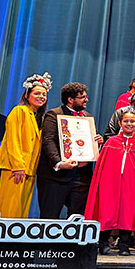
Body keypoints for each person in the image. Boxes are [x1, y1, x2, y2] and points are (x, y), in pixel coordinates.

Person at [36, 82, 104, 219]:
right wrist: (59, 163)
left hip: (81, 176)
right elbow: (48, 141)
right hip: (55, 177)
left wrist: (97, 143)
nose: (87, 100)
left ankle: (72, 242)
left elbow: (88, 145)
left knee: (77, 218)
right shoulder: (54, 115)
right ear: (70, 100)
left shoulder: (87, 117)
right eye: (82, 97)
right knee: (50, 216)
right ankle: (46, 241)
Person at [85, 111, 135, 255]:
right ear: (120, 124)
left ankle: (124, 245)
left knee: (128, 213)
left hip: (132, 184)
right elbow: (103, 165)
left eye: (132, 121)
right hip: (110, 182)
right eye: (126, 121)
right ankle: (103, 242)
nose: (129, 124)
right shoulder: (111, 142)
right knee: (107, 210)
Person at [0, 73, 51, 218]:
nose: (41, 97)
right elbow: (12, 141)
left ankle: (14, 238)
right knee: (10, 207)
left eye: (44, 94)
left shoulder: (38, 116)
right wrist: (18, 166)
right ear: (27, 95)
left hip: (30, 169)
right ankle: (2, 238)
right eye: (37, 93)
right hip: (16, 168)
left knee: (22, 209)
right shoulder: (19, 111)